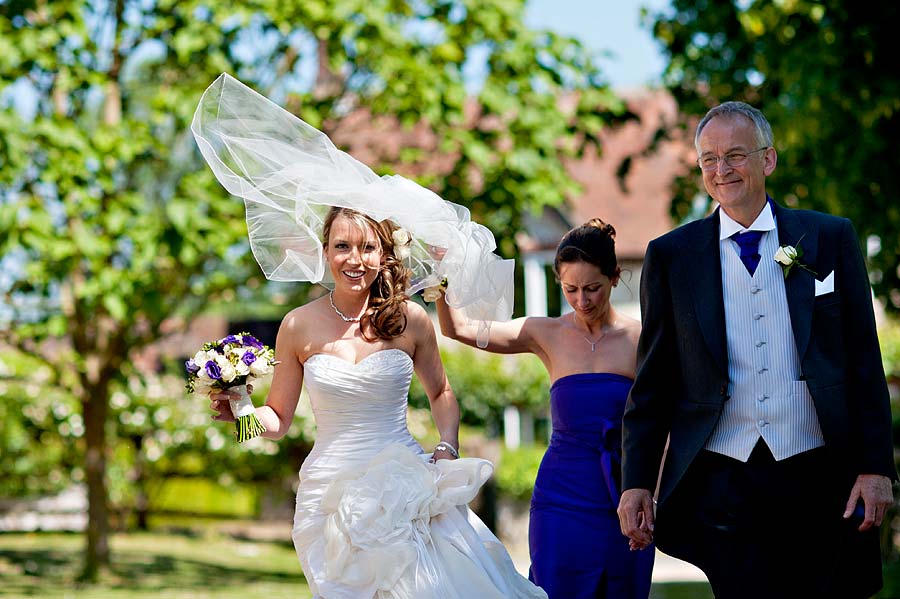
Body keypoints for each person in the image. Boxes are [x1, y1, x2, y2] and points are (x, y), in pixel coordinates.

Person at [617, 101, 896, 599]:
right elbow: (653, 381)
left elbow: (863, 361)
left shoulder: (829, 238)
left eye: (736, 155)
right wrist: (636, 481)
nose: (721, 170)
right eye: (709, 159)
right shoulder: (671, 256)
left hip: (817, 467)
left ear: (767, 160)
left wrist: (875, 466)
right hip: (724, 477)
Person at [210, 207, 547, 599]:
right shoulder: (297, 325)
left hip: (403, 490)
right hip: (328, 497)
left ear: (384, 254)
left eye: (367, 247)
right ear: (324, 252)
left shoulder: (411, 320)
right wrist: (242, 412)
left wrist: (447, 446)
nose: (355, 259)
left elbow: (442, 393)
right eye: (342, 246)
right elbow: (279, 419)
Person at [436, 219, 654, 599]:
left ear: (615, 277)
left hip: (624, 494)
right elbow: (458, 328)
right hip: (560, 499)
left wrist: (653, 494)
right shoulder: (545, 333)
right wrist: (441, 277)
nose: (582, 300)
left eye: (593, 288)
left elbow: (660, 426)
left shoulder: (642, 340)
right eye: (571, 289)